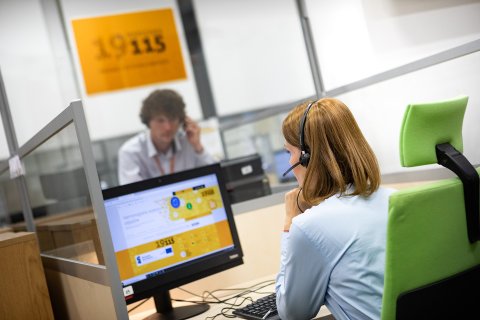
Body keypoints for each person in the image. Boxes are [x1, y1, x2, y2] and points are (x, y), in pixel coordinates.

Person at [275, 98, 395, 320]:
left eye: (289, 152)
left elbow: (292, 312)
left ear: (306, 158)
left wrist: (289, 223)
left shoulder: (309, 226)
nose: (290, 161)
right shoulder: (397, 200)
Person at [118, 89, 216, 185]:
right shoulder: (130, 152)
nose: (168, 127)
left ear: (182, 120)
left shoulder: (189, 142)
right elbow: (133, 195)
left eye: (173, 119)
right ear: (148, 122)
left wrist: (198, 147)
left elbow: (215, 179)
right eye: (160, 120)